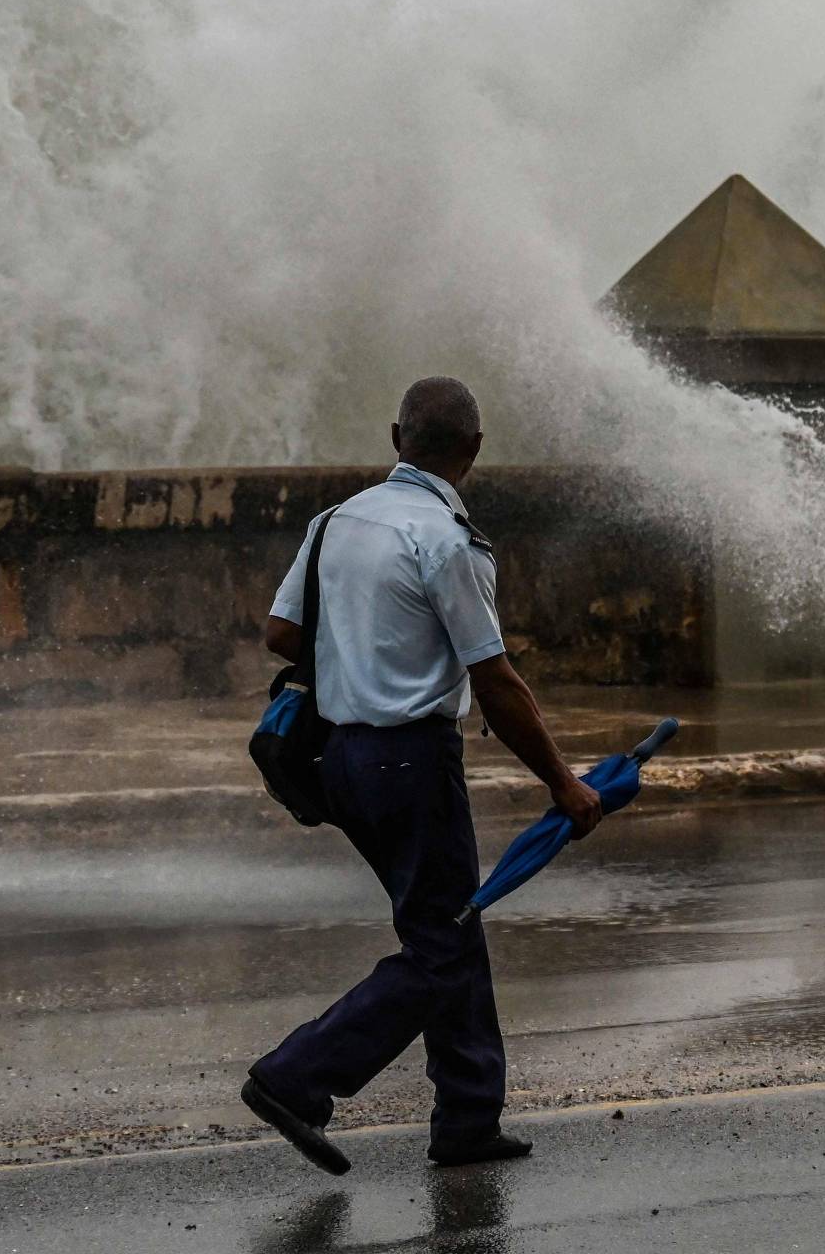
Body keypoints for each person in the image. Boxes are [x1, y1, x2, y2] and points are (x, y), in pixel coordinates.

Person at [241, 376, 603, 1175]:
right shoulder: (447, 540)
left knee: (451, 925)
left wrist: (358, 651)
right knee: (440, 946)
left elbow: (279, 632)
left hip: (336, 760)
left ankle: (469, 1117)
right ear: (474, 450)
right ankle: (295, 1077)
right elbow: (499, 683)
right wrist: (563, 783)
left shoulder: (336, 521)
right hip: (409, 762)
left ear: (395, 434)